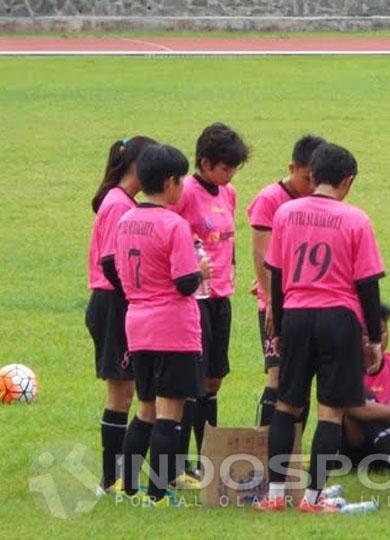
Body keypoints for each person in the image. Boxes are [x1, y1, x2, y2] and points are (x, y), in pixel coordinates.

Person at [254, 142, 385, 514]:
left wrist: (276, 324)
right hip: (338, 319)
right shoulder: (356, 219)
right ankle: (312, 499)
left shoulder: (286, 213)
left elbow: (276, 274)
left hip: (295, 316)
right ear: (347, 181)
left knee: (286, 404)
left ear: (312, 175)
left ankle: (276, 495)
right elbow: (367, 284)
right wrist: (373, 338)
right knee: (330, 412)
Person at [115, 144, 206, 507]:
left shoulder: (126, 221)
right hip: (173, 328)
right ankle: (159, 494)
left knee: (145, 410)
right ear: (170, 182)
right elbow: (185, 283)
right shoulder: (174, 224)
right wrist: (201, 271)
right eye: (180, 180)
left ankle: (127, 487)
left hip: (138, 325)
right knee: (170, 413)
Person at [170, 122, 249, 475]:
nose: (230, 174)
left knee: (215, 376)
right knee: (192, 378)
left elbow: (227, 243)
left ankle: (208, 457)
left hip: (221, 296)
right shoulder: (184, 192)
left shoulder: (227, 193)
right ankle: (181, 460)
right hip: (194, 298)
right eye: (224, 167)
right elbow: (167, 233)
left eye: (234, 168)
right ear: (204, 162)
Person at [87, 135, 156, 495]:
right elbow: (112, 262)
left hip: (117, 301)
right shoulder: (118, 204)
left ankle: (116, 476)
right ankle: (109, 480)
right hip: (113, 302)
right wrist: (136, 295)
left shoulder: (120, 199)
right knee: (121, 393)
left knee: (127, 390)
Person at [247, 134, 326, 426]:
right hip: (277, 301)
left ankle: (289, 452)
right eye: (307, 179)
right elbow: (260, 254)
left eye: (317, 180)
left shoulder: (320, 198)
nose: (313, 188)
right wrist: (270, 301)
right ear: (292, 168)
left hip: (307, 301)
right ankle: (263, 447)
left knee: (300, 378)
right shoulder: (270, 199)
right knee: (277, 375)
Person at [341, 304, 390, 479]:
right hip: (359, 449)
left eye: (381, 332)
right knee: (361, 399)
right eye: (365, 334)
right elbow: (353, 408)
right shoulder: (343, 369)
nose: (373, 340)